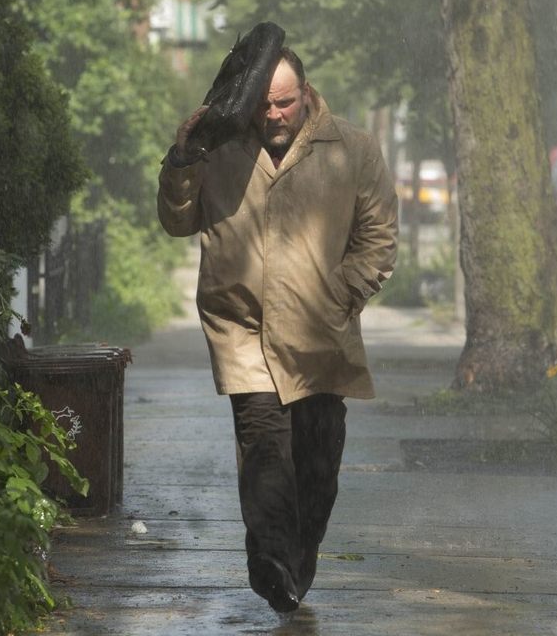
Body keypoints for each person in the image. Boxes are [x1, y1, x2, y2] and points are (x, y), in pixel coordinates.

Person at [156, 46, 398, 613]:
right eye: (263, 104)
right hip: (243, 331)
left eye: (284, 103)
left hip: (321, 335)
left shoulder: (353, 149)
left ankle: (296, 556)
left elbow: (379, 236)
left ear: (306, 93)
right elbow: (175, 221)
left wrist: (342, 295)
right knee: (264, 447)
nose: (273, 115)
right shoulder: (217, 151)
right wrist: (182, 158)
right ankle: (268, 560)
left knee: (318, 464)